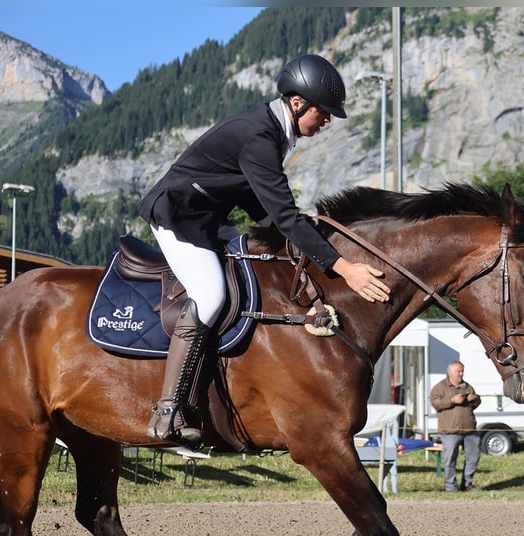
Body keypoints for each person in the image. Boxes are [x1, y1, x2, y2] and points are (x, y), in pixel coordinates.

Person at [138, 54, 391, 448]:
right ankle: (169, 409)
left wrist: (308, 232)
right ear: (297, 104)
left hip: (207, 220)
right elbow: (282, 216)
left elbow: (262, 206)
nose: (326, 121)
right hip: (178, 216)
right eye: (323, 113)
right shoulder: (261, 137)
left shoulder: (271, 131)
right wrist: (344, 267)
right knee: (211, 295)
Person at [429, 360, 482, 492]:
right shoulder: (440, 387)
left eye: (462, 371)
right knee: (450, 460)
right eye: (459, 371)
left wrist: (474, 399)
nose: (461, 374)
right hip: (449, 431)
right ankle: (450, 487)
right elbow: (435, 403)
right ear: (450, 372)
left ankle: (467, 484)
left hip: (469, 429)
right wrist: (452, 400)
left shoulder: (467, 387)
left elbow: (477, 402)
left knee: (473, 458)